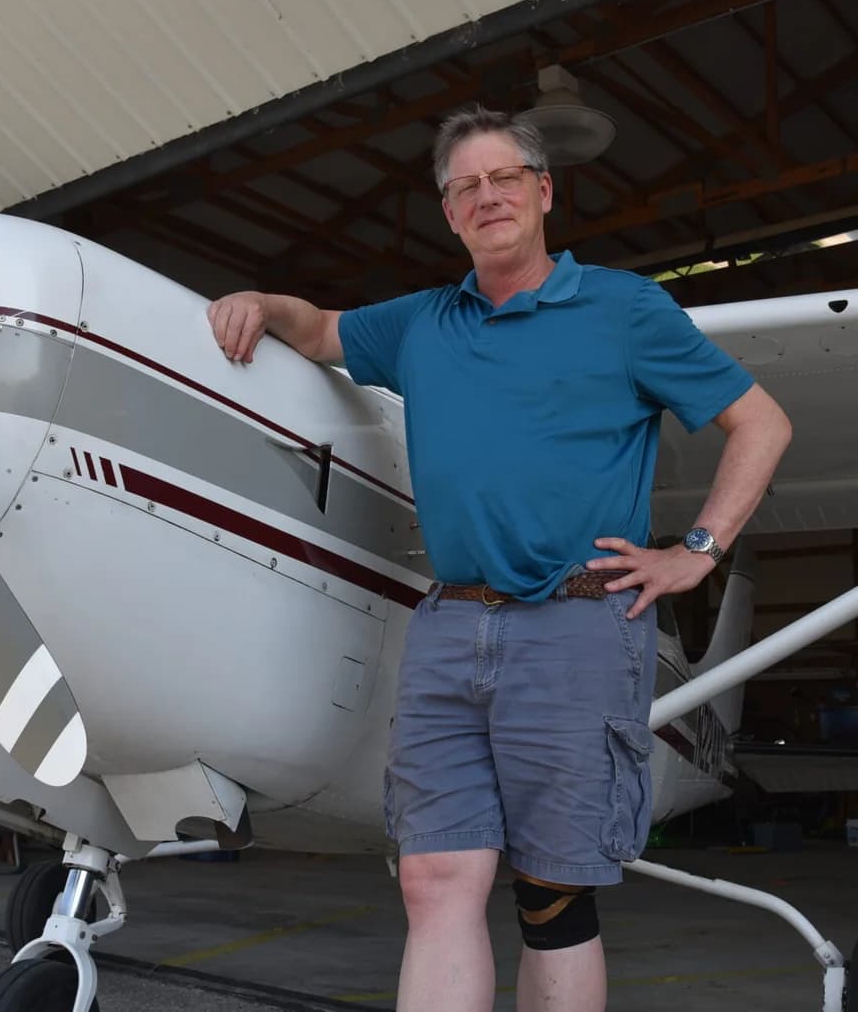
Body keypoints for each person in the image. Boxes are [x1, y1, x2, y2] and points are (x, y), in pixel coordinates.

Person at [207, 105, 791, 1012]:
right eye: (466, 187)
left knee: (552, 895)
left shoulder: (625, 308)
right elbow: (319, 331)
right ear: (449, 213)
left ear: (544, 192)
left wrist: (697, 553)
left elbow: (761, 422)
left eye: (505, 178)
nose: (488, 197)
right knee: (432, 877)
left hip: (578, 621)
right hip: (449, 625)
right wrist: (260, 302)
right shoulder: (423, 322)